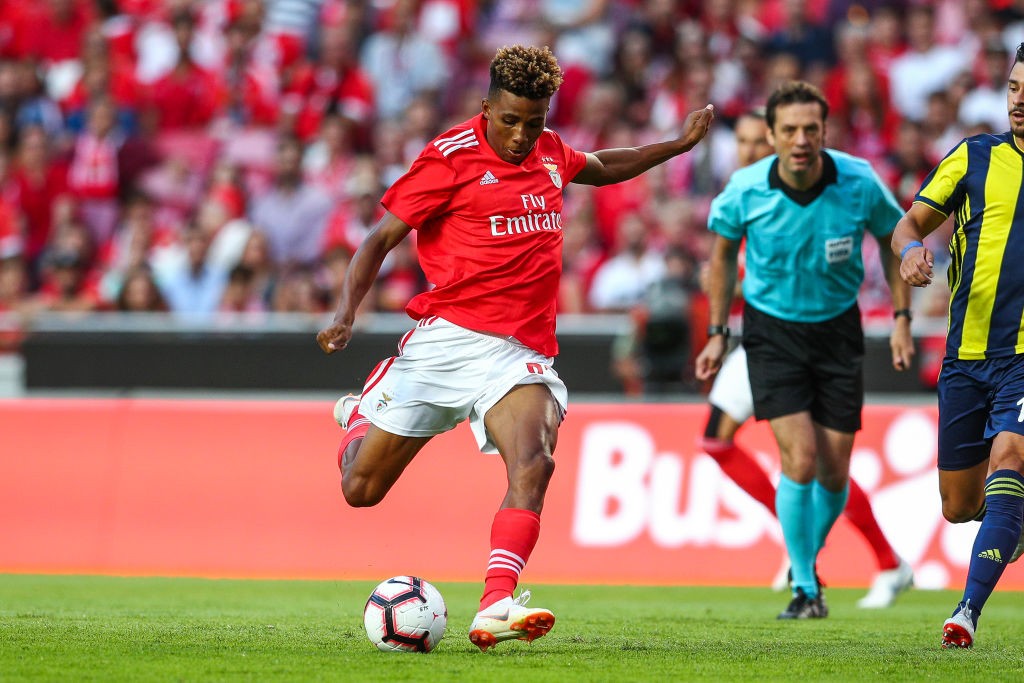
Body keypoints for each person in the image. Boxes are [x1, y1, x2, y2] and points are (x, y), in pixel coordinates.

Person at [316, 45, 714, 650]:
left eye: (535, 120)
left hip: (516, 353)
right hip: (446, 343)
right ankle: (359, 413)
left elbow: (603, 165)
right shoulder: (448, 158)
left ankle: (495, 602)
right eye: (510, 120)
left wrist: (676, 146)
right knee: (360, 491)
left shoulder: (550, 151)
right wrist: (345, 312)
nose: (523, 135)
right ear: (486, 108)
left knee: (536, 461)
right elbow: (379, 239)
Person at [695, 81, 914, 620]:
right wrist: (719, 331)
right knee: (800, 458)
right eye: (788, 130)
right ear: (771, 135)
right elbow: (721, 257)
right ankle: (805, 585)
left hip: (838, 331)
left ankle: (811, 561)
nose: (800, 139)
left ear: (824, 132)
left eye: (810, 129)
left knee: (834, 472)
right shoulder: (746, 189)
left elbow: (896, 238)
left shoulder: (858, 182)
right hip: (772, 333)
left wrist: (904, 319)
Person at [892, 42, 1024, 650]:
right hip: (966, 359)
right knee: (959, 505)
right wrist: (911, 251)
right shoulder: (974, 156)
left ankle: (965, 613)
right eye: (1015, 88)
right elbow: (909, 223)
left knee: (1011, 459)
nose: (1020, 100)